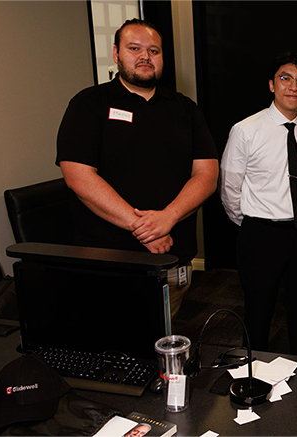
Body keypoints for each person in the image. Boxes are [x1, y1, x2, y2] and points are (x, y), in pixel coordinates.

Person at [56, 19, 219, 318]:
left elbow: (207, 175)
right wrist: (146, 229)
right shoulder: (89, 103)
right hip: (109, 259)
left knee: (165, 339)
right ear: (117, 54)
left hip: (173, 256)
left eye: (153, 50)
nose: (145, 56)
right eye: (135, 48)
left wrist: (167, 218)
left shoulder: (185, 109)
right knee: (111, 344)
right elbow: (78, 176)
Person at [220, 52, 297, 356]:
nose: (294, 86)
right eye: (285, 78)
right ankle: (253, 377)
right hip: (261, 236)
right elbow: (230, 188)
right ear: (271, 85)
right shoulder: (246, 130)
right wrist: (253, 221)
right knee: (258, 313)